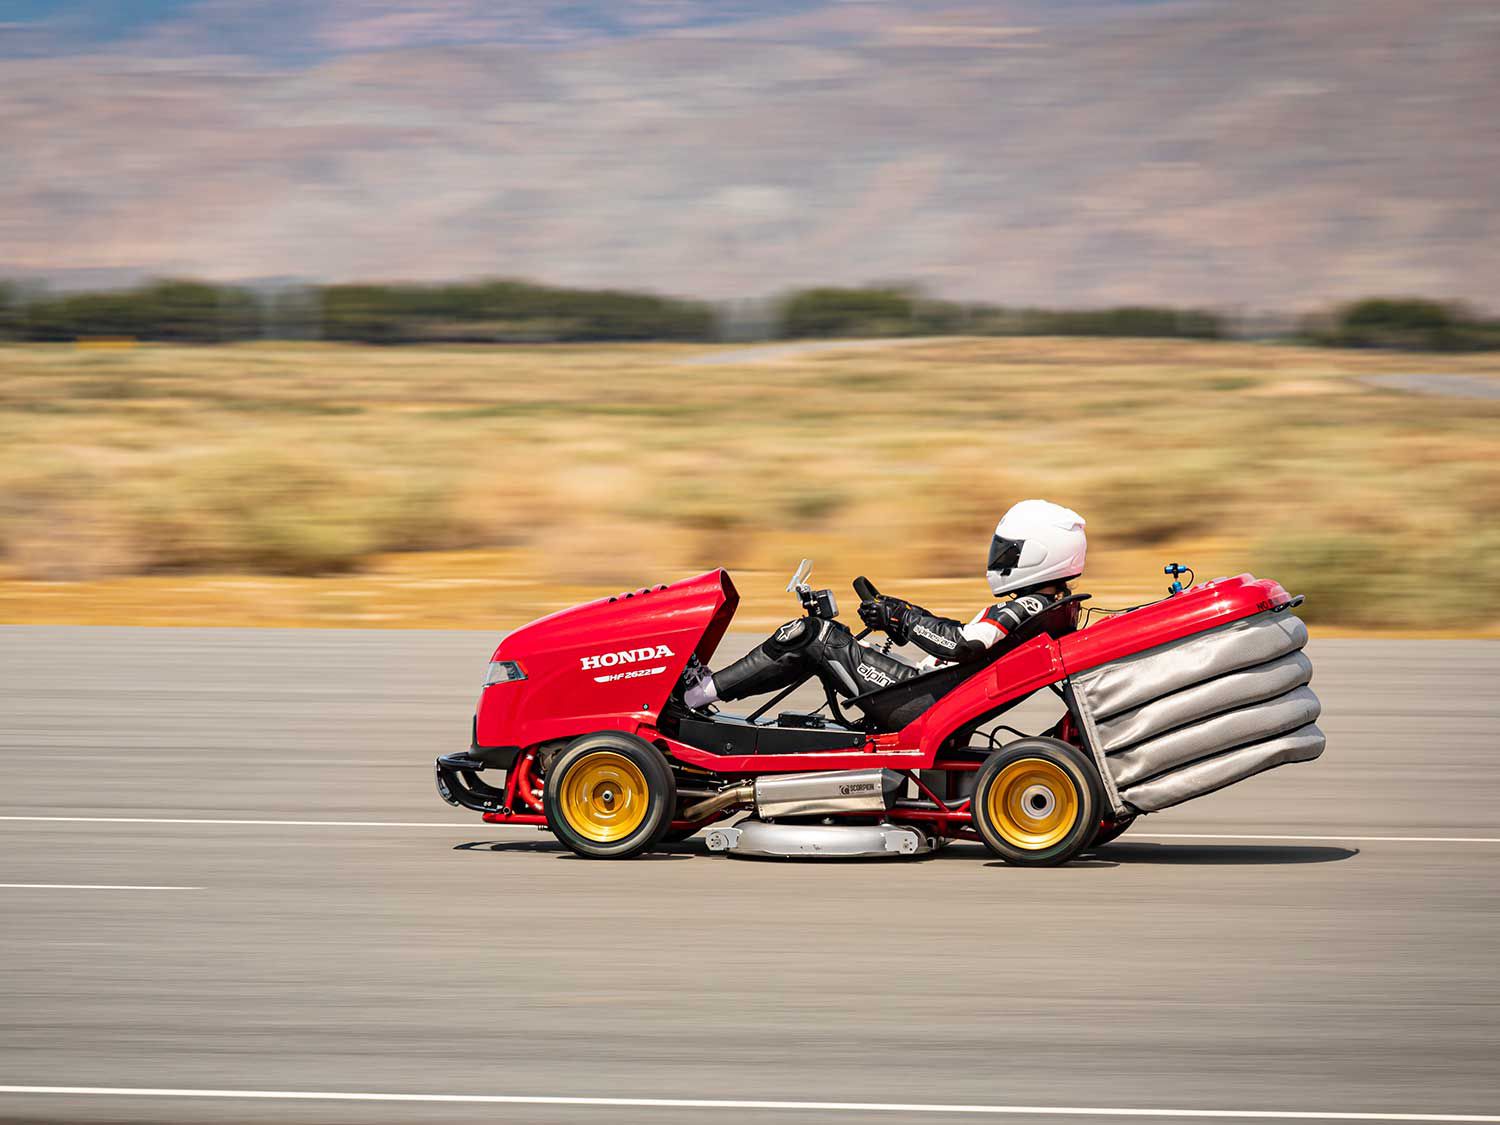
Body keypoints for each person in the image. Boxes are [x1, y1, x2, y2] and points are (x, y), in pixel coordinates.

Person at [681, 499, 1087, 709]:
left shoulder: (1026, 608)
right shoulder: (1048, 605)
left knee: (809, 634)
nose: (999, 559)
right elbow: (960, 640)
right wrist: (900, 616)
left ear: (1039, 555)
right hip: (932, 689)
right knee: (829, 636)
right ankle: (710, 690)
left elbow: (967, 645)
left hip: (917, 701)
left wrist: (905, 617)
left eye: (1008, 552)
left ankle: (698, 693)